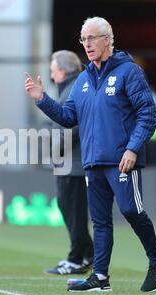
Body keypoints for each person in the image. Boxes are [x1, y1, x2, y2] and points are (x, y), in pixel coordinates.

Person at [25, 16, 156, 293]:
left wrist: (132, 148)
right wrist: (42, 100)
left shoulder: (130, 72)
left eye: (91, 38)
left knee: (131, 210)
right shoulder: (83, 80)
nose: (87, 44)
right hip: (93, 162)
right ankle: (100, 277)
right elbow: (68, 118)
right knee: (100, 221)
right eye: (83, 39)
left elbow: (147, 115)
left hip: (122, 160)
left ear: (107, 39)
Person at [43, 50, 94, 276]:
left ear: (62, 72)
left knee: (73, 212)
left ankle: (77, 258)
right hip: (71, 163)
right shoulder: (74, 87)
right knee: (69, 210)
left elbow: (72, 126)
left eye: (53, 72)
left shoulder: (73, 90)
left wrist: (55, 150)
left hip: (75, 164)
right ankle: (87, 253)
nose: (52, 77)